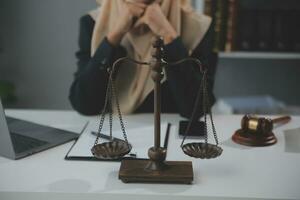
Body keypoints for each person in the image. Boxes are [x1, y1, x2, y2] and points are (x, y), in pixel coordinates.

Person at [69, 0, 217, 119]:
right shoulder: (94, 23)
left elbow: (197, 109)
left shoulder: (198, 27)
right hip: (114, 139)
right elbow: (85, 105)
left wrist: (168, 34)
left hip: (171, 137)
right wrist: (114, 35)